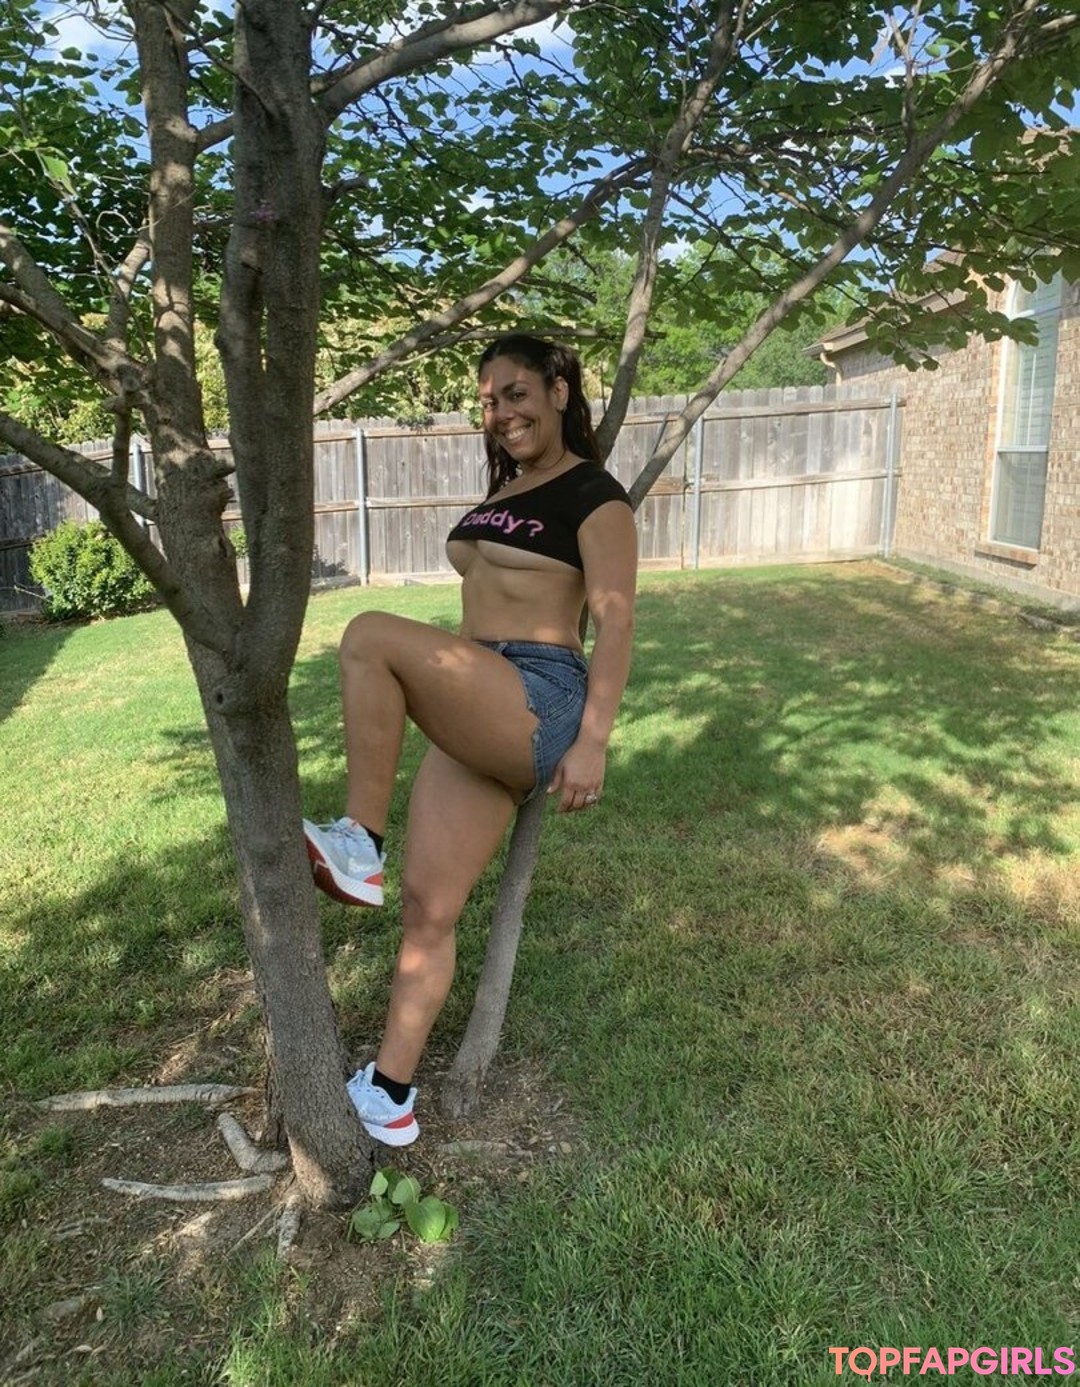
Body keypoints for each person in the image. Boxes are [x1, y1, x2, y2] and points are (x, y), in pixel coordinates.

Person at [303, 332, 638, 1146]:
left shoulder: (596, 495)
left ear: (559, 390)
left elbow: (617, 619)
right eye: (489, 401)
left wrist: (593, 742)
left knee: (369, 636)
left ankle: (359, 840)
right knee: (428, 906)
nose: (501, 412)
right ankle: (390, 1092)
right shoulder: (509, 487)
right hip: (478, 695)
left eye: (516, 393)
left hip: (537, 691)